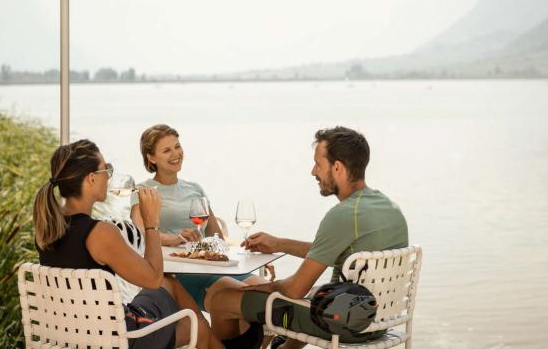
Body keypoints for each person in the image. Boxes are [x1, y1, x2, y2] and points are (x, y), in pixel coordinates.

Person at [204, 126, 409, 348]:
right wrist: (279, 244)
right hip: (376, 321)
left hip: (343, 325)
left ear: (337, 167)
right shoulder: (388, 207)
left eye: (318, 165)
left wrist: (268, 287)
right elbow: (338, 250)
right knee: (312, 295)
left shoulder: (343, 214)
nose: (313, 171)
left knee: (221, 299)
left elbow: (295, 289)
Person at [32, 139, 241, 349]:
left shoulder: (47, 230)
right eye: (107, 169)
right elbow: (152, 278)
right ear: (91, 179)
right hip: (118, 339)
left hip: (73, 336)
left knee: (169, 284)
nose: (109, 176)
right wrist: (152, 222)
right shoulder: (100, 233)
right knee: (193, 324)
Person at [131, 124, 263, 310]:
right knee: (246, 298)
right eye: (166, 150)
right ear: (151, 157)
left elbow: (216, 235)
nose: (175, 154)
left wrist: (250, 251)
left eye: (177, 146)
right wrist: (175, 239)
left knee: (263, 288)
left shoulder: (194, 189)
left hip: (207, 264)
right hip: (177, 272)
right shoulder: (143, 191)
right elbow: (140, 235)